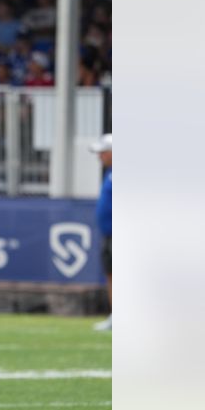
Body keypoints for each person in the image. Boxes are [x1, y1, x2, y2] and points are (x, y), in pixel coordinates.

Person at [92, 133, 112, 332]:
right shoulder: (109, 173)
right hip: (109, 234)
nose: (100, 157)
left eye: (103, 153)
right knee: (111, 274)